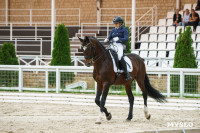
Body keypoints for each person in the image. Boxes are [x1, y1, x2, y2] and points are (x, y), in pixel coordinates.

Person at [104, 16, 132, 81]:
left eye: (116, 23)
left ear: (120, 23)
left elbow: (126, 39)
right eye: (114, 24)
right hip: (113, 45)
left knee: (119, 56)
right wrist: (107, 39)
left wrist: (119, 39)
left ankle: (127, 74)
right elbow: (109, 37)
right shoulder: (113, 30)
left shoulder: (124, 30)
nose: (115, 25)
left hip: (121, 45)